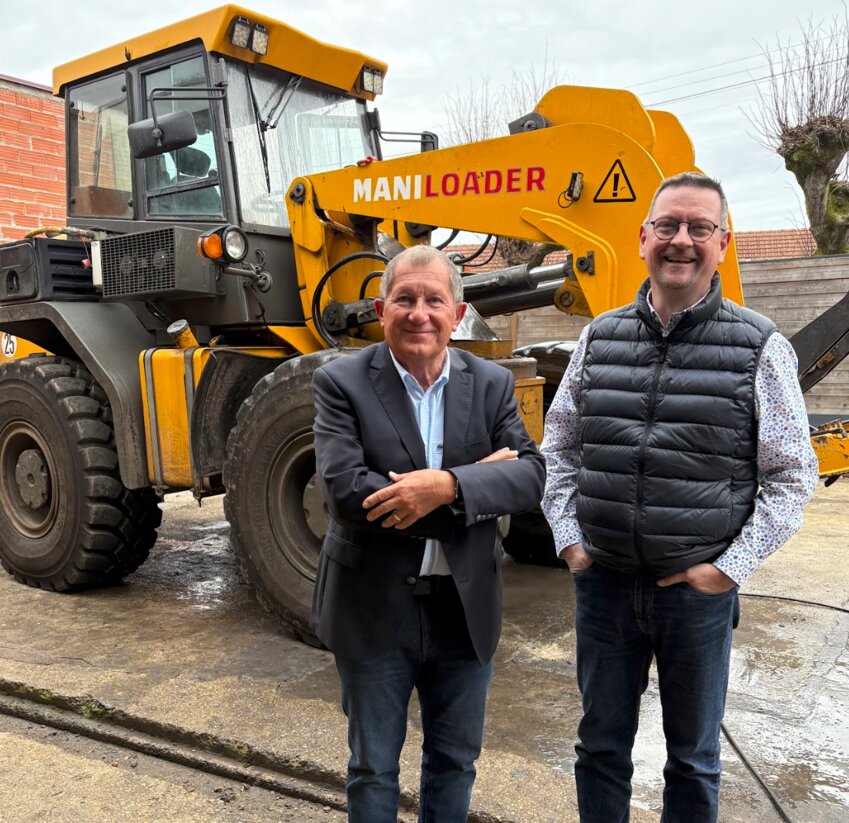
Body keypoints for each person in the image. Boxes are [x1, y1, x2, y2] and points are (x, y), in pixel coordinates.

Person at [541, 172, 819, 823]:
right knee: (599, 748)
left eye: (698, 227)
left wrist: (728, 569)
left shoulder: (758, 347)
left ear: (723, 243)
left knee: (691, 761)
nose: (681, 240)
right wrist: (568, 538)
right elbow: (559, 447)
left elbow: (789, 475)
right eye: (667, 225)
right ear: (642, 237)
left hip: (694, 596)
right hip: (603, 585)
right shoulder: (598, 337)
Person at [310, 244, 545, 823]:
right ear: (379, 307)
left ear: (457, 311)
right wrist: (479, 488)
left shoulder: (489, 383)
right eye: (405, 298)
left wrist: (445, 488)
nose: (420, 313)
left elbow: (533, 476)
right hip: (373, 607)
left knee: (455, 763)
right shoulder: (341, 381)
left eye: (434, 299)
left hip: (463, 612)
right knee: (372, 768)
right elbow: (345, 492)